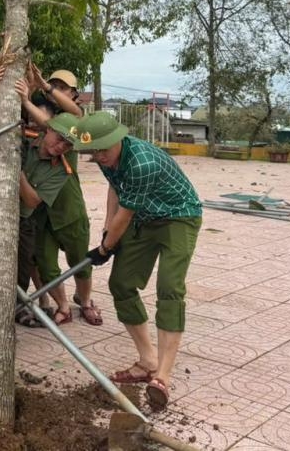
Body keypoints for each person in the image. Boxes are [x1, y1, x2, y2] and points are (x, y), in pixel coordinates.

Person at [71, 111, 202, 411]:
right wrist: (106, 229)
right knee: (121, 284)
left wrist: (105, 248)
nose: (99, 155)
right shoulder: (106, 160)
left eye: (104, 148)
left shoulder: (141, 162)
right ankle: (147, 360)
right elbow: (115, 190)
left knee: (169, 287)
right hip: (145, 217)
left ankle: (163, 377)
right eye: (94, 150)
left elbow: (126, 215)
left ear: (119, 138)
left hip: (178, 217)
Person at [19, 86, 101, 326]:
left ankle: (84, 301)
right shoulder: (27, 142)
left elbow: (76, 117)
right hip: (41, 219)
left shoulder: (67, 154)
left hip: (69, 215)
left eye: (67, 143)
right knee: (45, 263)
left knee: (81, 263)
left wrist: (45, 88)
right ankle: (63, 305)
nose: (61, 145)